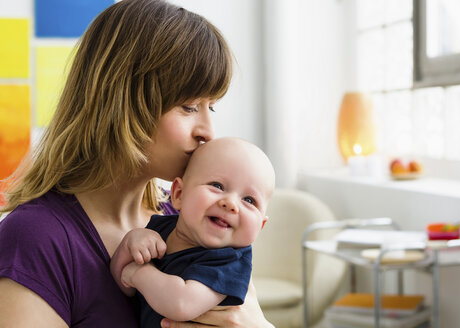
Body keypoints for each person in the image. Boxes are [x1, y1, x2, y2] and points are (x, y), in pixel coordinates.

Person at [0, 1, 274, 327]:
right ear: (122, 101)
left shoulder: (187, 219)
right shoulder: (35, 239)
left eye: (210, 108)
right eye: (188, 106)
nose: (208, 132)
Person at [111, 137, 275, 327]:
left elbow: (181, 304)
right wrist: (129, 243)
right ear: (179, 194)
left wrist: (138, 273)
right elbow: (123, 284)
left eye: (249, 200)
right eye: (217, 186)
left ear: (260, 226)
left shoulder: (230, 261)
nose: (231, 204)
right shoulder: (160, 228)